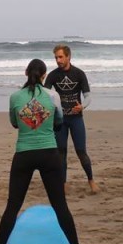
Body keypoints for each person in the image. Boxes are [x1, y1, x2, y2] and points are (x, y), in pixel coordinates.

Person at [0, 59, 81, 244]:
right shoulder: (52, 95)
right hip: (49, 153)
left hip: (23, 154)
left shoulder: (15, 97)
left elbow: (14, 123)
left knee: (13, 205)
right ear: (44, 75)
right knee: (60, 204)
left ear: (26, 72)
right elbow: (59, 120)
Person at [44, 45, 98, 193]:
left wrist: (83, 106)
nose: (58, 60)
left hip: (76, 119)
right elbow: (45, 94)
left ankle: (91, 180)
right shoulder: (53, 75)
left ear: (68, 57)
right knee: (61, 153)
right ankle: (63, 183)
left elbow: (88, 96)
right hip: (60, 120)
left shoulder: (79, 74)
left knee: (81, 151)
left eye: (60, 57)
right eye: (56, 57)